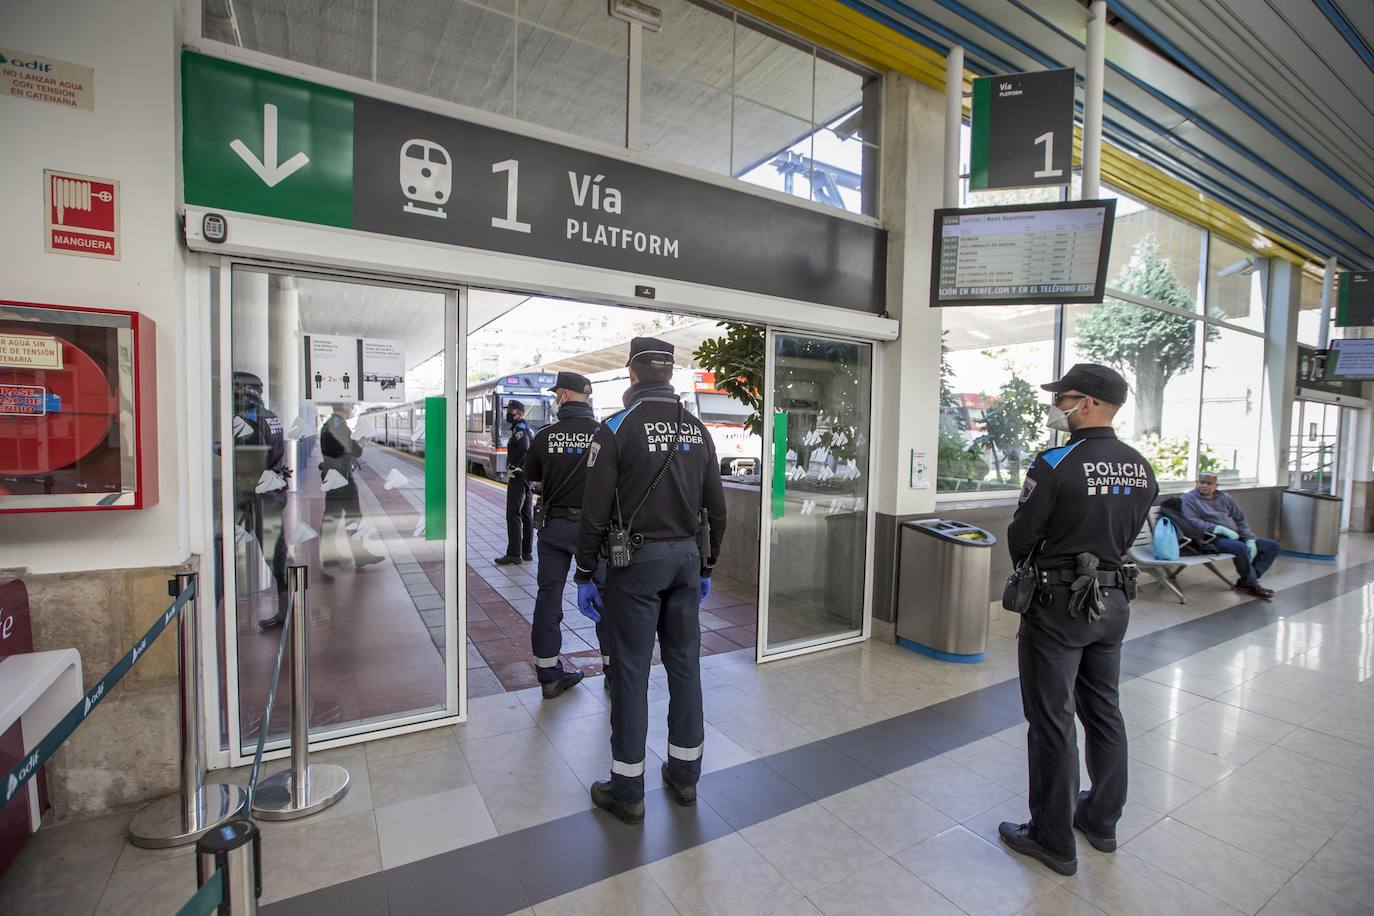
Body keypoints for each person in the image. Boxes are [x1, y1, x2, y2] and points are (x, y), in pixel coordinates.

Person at [1000, 363, 1158, 877]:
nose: (1058, 409)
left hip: (1058, 605)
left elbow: (1022, 537)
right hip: (1113, 604)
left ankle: (1051, 838)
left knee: (1052, 719)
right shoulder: (1140, 467)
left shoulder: (1055, 463)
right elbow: (1128, 531)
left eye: (1063, 399)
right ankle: (1101, 821)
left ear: (1086, 403)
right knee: (1104, 712)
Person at [575, 337, 727, 824]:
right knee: (685, 667)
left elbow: (594, 513)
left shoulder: (615, 429)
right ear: (670, 374)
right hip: (686, 562)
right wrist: (705, 568)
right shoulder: (698, 429)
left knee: (633, 672)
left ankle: (627, 789)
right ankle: (685, 777)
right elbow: (717, 511)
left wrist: (583, 572)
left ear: (634, 375)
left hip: (634, 567)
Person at [523, 371, 610, 699]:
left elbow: (532, 478)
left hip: (553, 528)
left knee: (548, 597)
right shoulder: (605, 434)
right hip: (596, 530)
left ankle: (549, 674)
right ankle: (612, 670)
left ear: (564, 396)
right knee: (605, 596)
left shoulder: (545, 436)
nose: (555, 398)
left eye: (557, 393)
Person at [231, 372, 293, 631]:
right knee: (276, 552)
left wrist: (216, 448)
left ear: (245, 391)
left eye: (235, 391)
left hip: (258, 497)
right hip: (272, 493)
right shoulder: (271, 416)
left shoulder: (249, 420)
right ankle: (287, 607)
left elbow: (248, 459)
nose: (233, 397)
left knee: (275, 555)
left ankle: (286, 610)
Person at [1181, 472, 1279, 600]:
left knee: (1272, 546)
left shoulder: (1225, 498)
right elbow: (1192, 521)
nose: (1204, 485)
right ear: (1196, 483)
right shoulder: (1188, 499)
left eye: (1209, 483)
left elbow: (1240, 520)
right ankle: (1251, 583)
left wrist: (1249, 538)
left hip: (1235, 535)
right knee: (1239, 547)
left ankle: (1248, 581)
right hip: (1211, 539)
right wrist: (1218, 529)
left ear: (1217, 485)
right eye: (1201, 482)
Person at [319, 403, 384, 570]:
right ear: (344, 407)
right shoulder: (338, 425)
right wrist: (360, 442)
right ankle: (359, 555)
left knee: (332, 517)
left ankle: (329, 556)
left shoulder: (330, 424)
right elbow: (354, 450)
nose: (351, 408)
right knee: (353, 516)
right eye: (350, 405)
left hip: (333, 476)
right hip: (342, 477)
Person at [495, 399, 534, 565]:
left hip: (518, 477)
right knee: (526, 514)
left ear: (519, 412)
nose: (508, 414)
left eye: (510, 411)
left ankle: (514, 554)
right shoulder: (527, 428)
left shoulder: (520, 428)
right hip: (527, 477)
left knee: (513, 514)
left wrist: (515, 466)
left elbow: (524, 447)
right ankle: (526, 552)